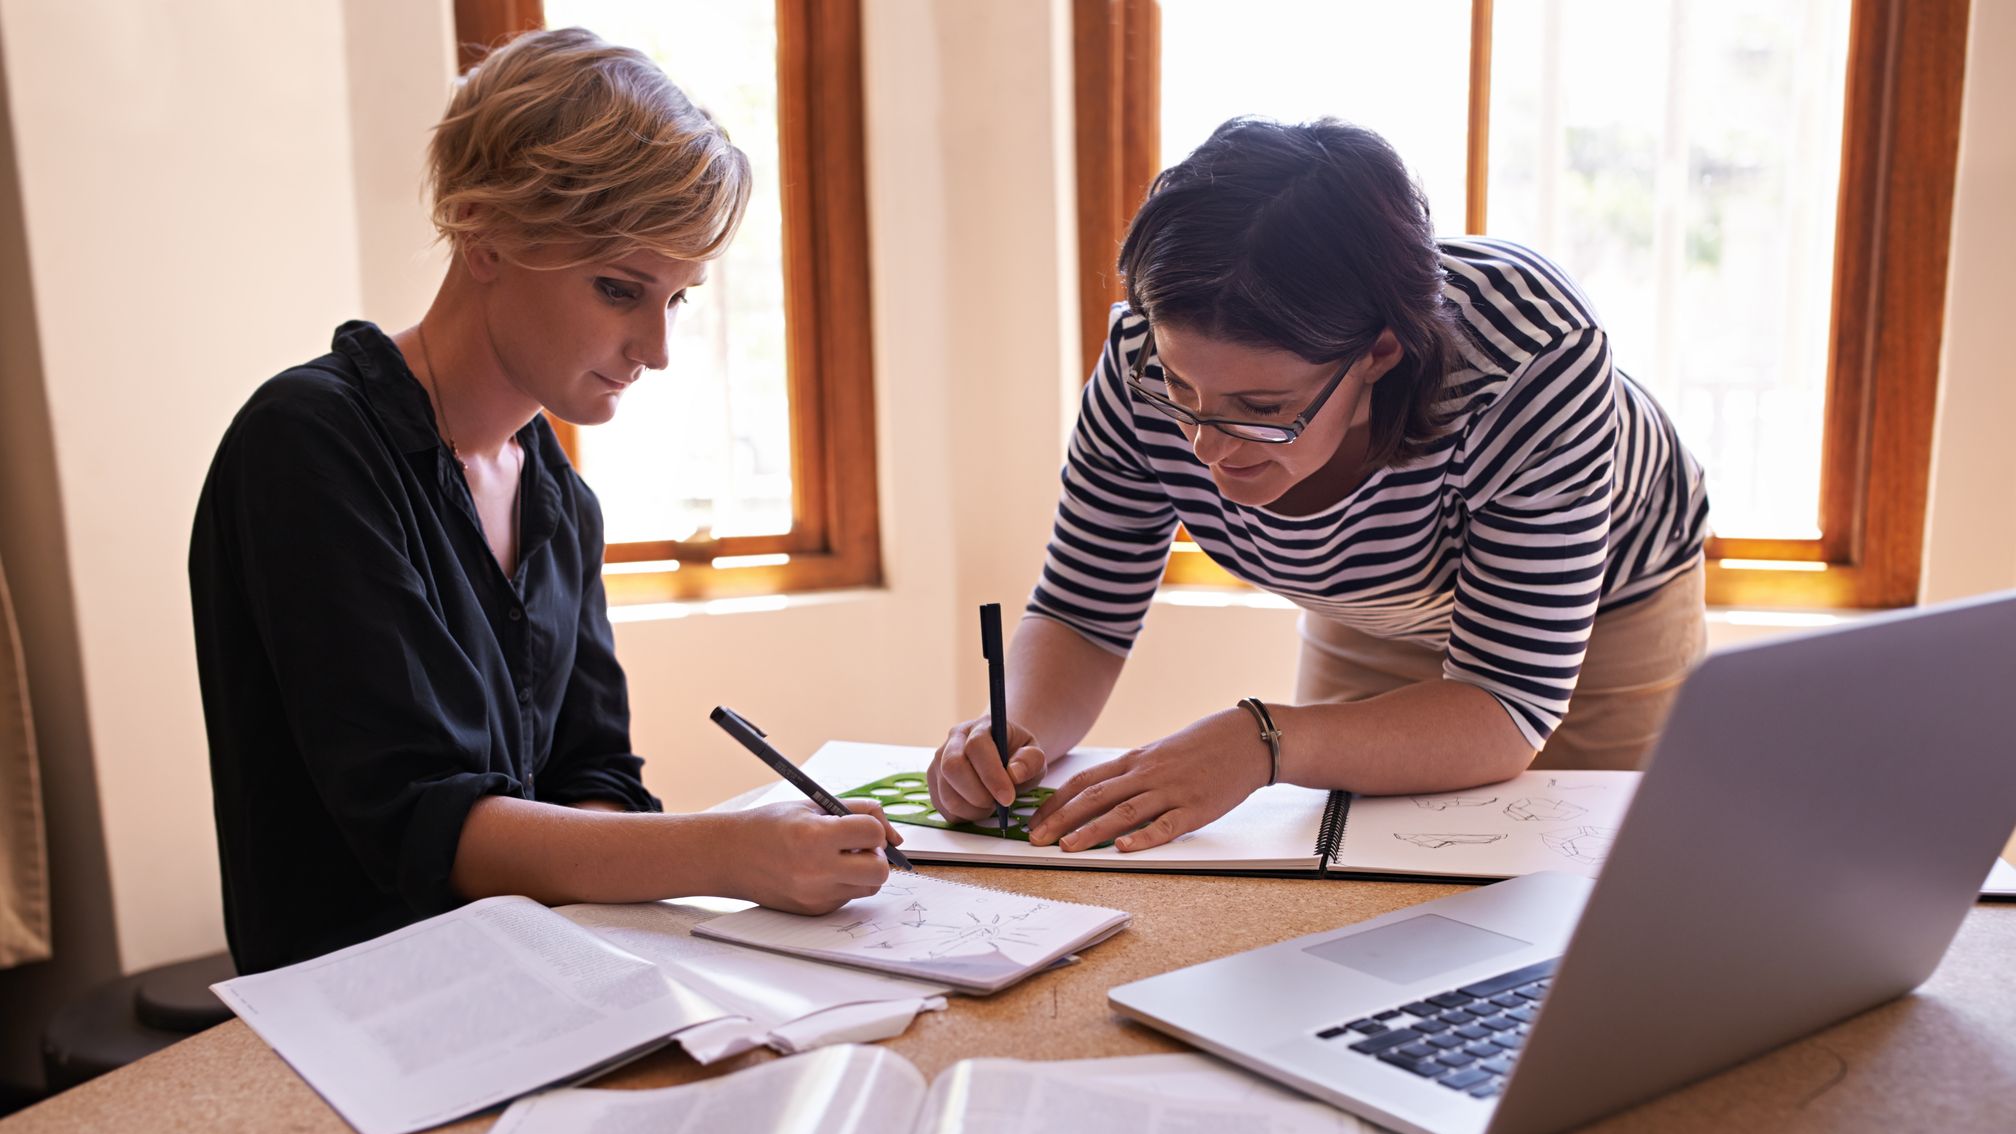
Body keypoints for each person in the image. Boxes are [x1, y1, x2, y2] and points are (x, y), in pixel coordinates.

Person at [191, 28, 898, 974]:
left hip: (535, 983)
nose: (656, 348)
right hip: (359, 1024)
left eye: (678, 298)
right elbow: (424, 825)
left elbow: (590, 770)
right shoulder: (308, 444)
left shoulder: (557, 495)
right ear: (483, 231)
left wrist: (626, 892)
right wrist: (734, 854)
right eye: (620, 289)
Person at [929, 117, 1709, 857]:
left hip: (1606, 599)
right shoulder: (1142, 358)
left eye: (1262, 409)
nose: (1206, 444)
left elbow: (1507, 704)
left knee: (1589, 882)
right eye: (1181, 388)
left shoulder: (1531, 354)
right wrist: (1010, 736)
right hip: (1373, 598)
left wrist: (1261, 738)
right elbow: (1081, 613)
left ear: (1379, 351)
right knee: (1351, 872)